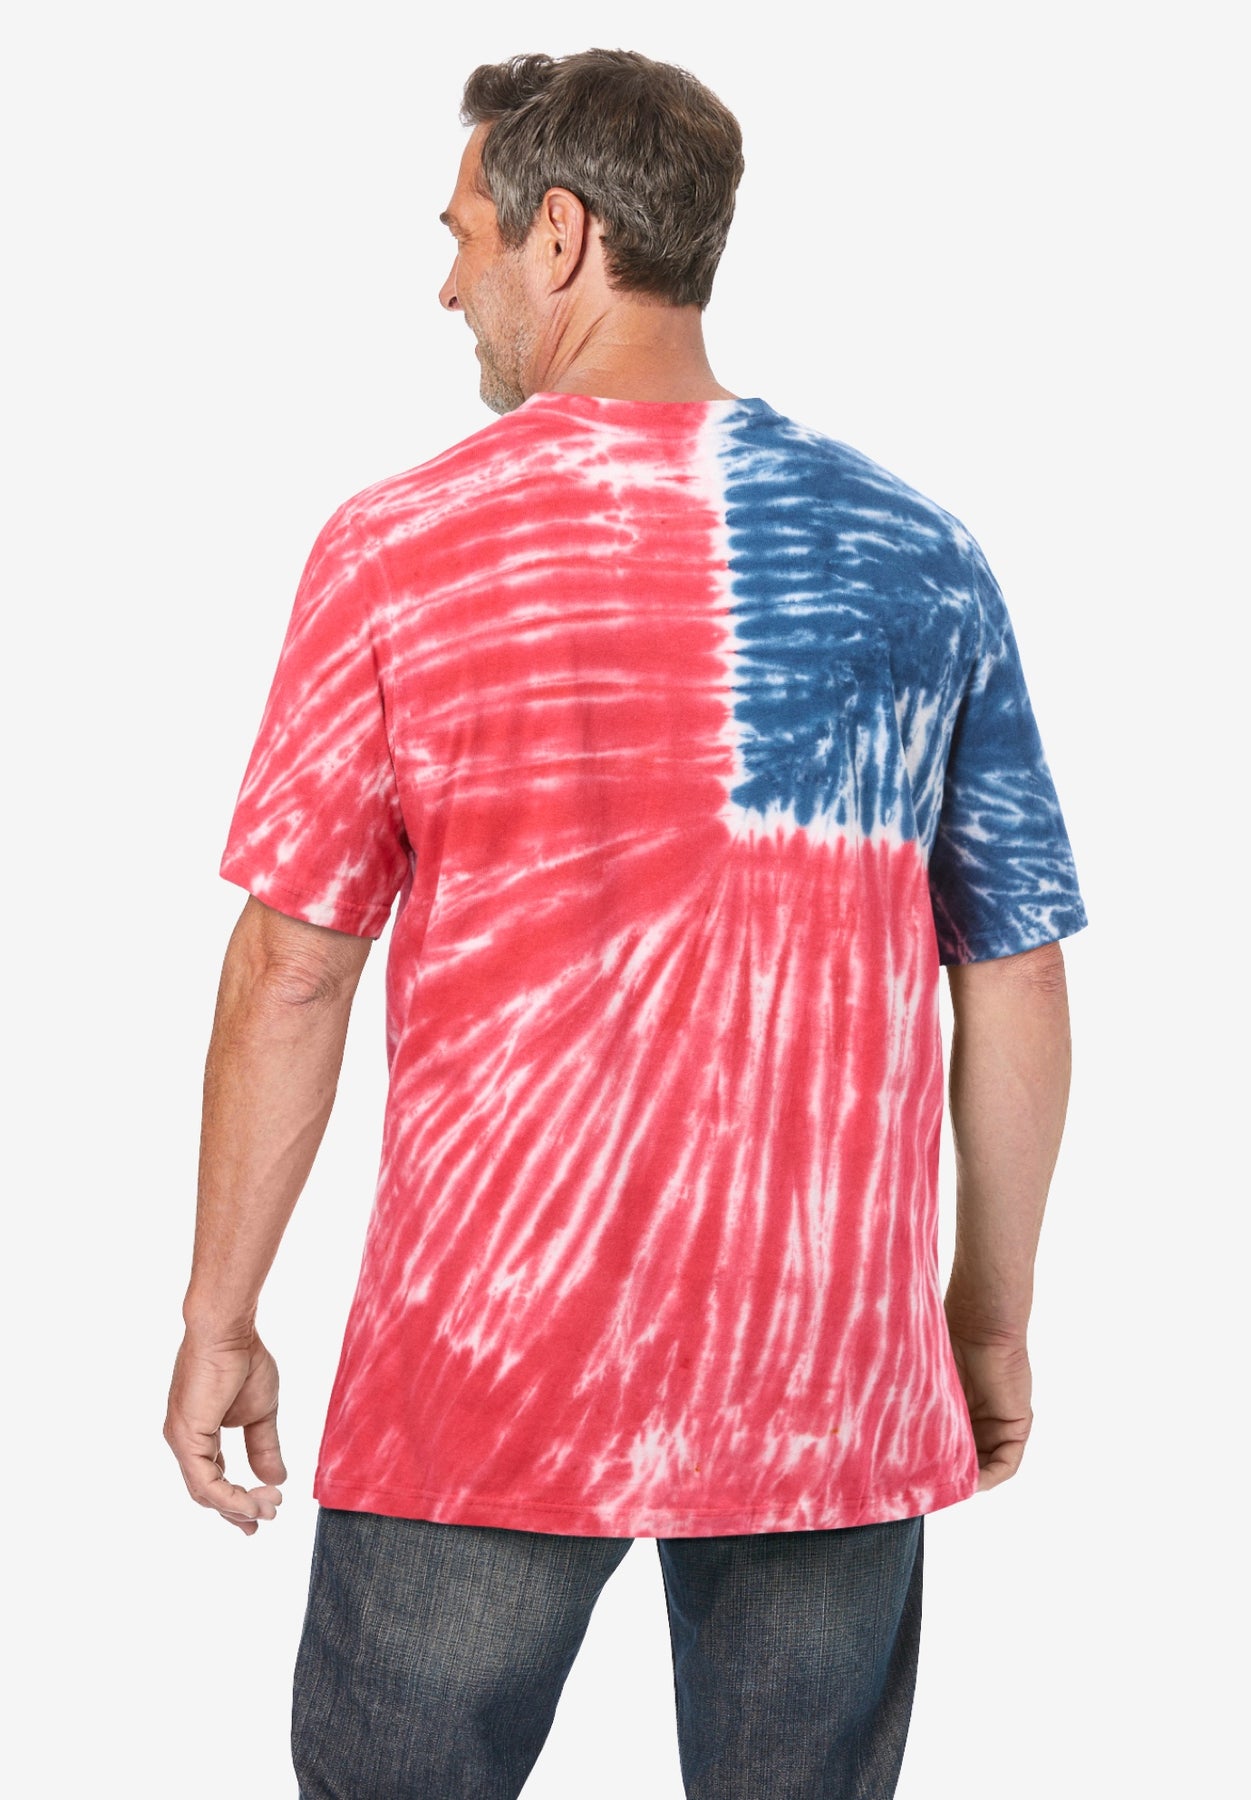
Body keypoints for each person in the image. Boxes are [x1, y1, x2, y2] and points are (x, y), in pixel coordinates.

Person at [164, 47, 1089, 1800]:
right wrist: (981, 1321)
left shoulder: (398, 549)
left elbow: (294, 969)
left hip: (480, 1369)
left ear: (563, 234)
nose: (448, 284)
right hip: (826, 1372)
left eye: (464, 236)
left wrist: (221, 1311)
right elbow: (1016, 971)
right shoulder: (920, 554)